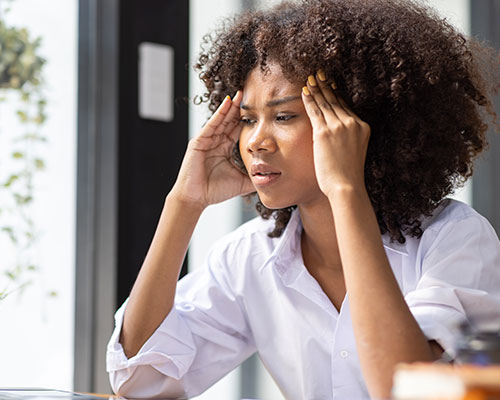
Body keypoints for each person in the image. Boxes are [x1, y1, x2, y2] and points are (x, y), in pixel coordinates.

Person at [106, 0, 500, 398]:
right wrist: (183, 203)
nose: (255, 141)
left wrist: (345, 190)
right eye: (247, 120)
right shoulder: (251, 256)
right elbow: (139, 381)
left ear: (356, 126)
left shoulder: (454, 239)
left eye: (283, 116)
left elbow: (400, 388)